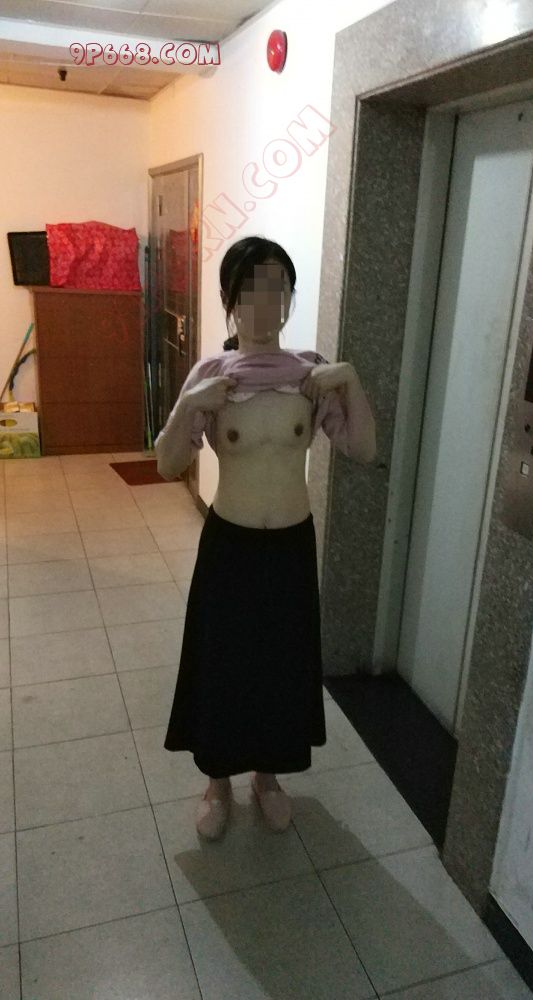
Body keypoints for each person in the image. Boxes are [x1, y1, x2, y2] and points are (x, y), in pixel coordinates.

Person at [155, 235, 376, 840]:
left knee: (280, 665)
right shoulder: (212, 377)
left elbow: (363, 448)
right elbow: (167, 464)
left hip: (290, 548)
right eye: (251, 288)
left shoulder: (311, 375)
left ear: (289, 298)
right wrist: (189, 405)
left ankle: (268, 778)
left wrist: (350, 379)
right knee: (223, 666)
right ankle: (217, 783)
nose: (265, 302)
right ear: (230, 299)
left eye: (278, 287)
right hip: (230, 547)